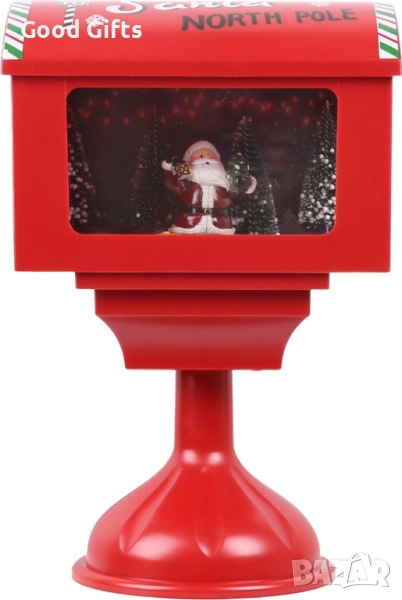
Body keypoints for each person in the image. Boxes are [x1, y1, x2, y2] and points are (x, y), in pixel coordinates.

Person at [162, 141, 257, 234]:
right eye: (200, 156)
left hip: (220, 224)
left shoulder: (225, 182)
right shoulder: (186, 180)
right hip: (189, 223)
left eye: (210, 155)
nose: (206, 158)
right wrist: (169, 166)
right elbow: (172, 184)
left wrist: (245, 185)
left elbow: (237, 193)